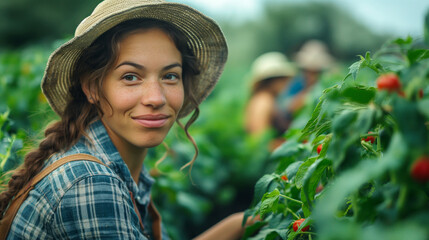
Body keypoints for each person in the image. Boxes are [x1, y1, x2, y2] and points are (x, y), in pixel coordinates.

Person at [0, 0, 254, 239]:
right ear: (92, 88)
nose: (156, 98)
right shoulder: (91, 182)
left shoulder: (115, 166)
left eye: (170, 76)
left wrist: (237, 224)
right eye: (130, 77)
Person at [244, 52, 297, 150]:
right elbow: (260, 141)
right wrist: (295, 145)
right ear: (271, 81)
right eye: (282, 78)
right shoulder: (263, 101)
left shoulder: (266, 99)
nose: (286, 82)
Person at [279, 40, 334, 117]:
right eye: (307, 71)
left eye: (315, 72)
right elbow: (287, 108)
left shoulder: (327, 85)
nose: (310, 76)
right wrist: (307, 92)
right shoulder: (297, 83)